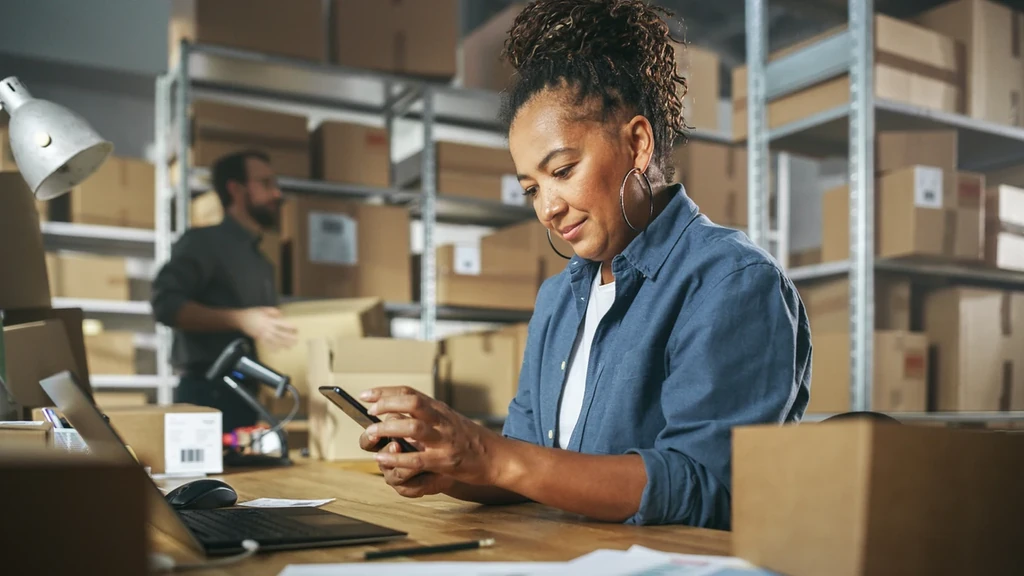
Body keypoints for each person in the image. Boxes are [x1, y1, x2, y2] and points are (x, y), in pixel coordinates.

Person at [357, 0, 811, 529]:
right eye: (532, 188)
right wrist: (450, 466)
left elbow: (706, 485)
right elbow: (531, 460)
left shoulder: (731, 282)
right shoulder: (558, 299)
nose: (547, 209)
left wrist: (491, 455)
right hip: (565, 554)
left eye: (563, 170)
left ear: (637, 144)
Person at [151, 150, 298, 432]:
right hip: (207, 392)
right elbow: (165, 305)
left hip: (246, 393)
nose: (276, 193)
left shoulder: (261, 261)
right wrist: (241, 320)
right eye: (265, 183)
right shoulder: (203, 243)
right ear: (236, 189)